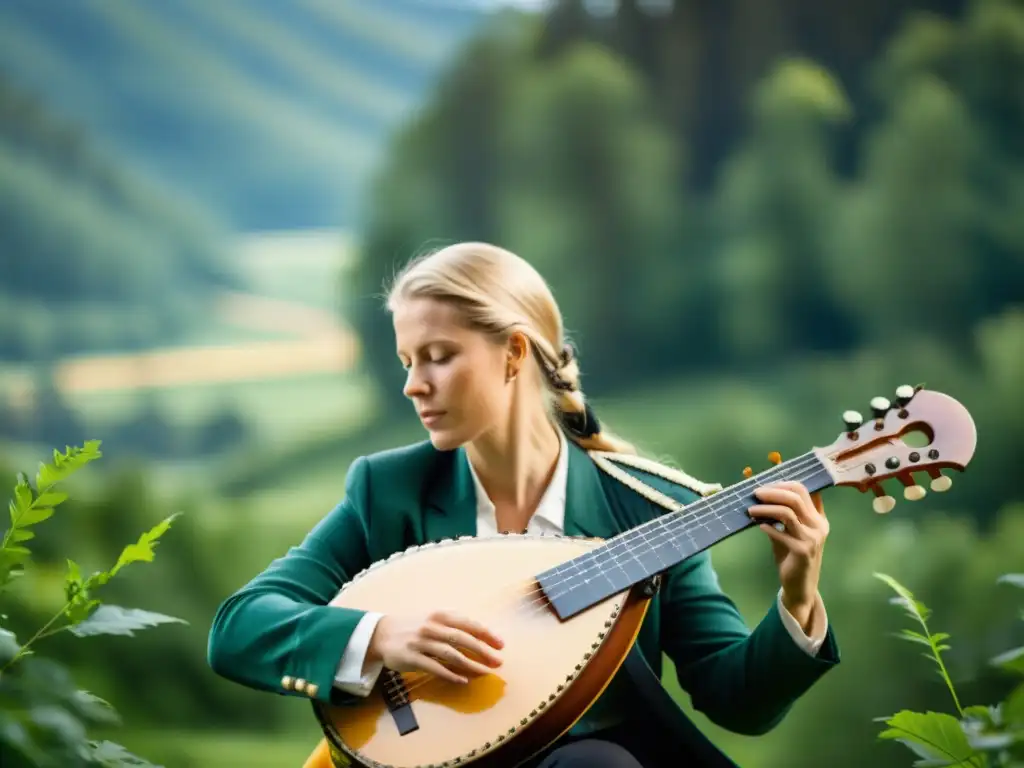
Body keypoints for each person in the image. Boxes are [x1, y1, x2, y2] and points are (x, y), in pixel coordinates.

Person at [207, 242, 840, 768]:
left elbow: (738, 701)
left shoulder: (647, 508)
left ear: (513, 353)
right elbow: (240, 627)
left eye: (438, 356)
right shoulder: (390, 491)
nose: (412, 384)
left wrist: (798, 595)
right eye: (407, 361)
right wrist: (380, 637)